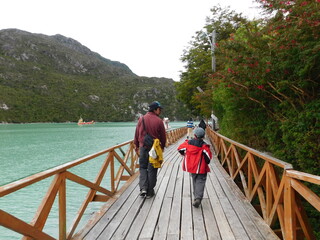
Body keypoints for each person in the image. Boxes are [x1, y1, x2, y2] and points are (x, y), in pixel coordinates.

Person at [134, 101, 167, 198]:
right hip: (154, 149)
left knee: (143, 168)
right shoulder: (159, 121)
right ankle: (150, 191)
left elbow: (136, 134)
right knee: (152, 168)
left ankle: (143, 188)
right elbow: (163, 136)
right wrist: (162, 146)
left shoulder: (141, 119)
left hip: (143, 148)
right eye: (159, 109)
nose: (160, 111)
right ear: (155, 109)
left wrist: (136, 145)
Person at [177, 127, 212, 208]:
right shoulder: (204, 146)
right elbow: (208, 159)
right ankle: (198, 198)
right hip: (201, 167)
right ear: (203, 136)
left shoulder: (188, 143)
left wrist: (184, 154)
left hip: (191, 167)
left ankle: (196, 196)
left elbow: (179, 148)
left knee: (194, 180)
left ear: (195, 135)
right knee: (200, 181)